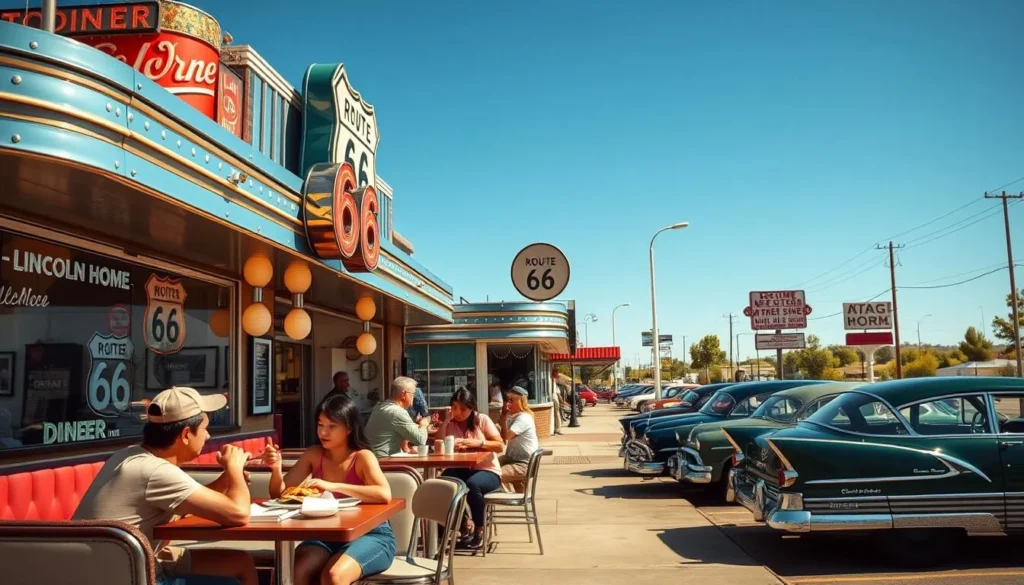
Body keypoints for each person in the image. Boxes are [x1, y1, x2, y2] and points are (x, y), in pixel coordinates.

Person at [72, 386, 257, 585]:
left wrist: (226, 480)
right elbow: (239, 514)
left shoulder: (130, 455)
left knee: (241, 563)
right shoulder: (155, 471)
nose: (208, 436)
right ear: (186, 434)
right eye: (205, 429)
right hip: (129, 574)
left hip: (116, 565)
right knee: (231, 582)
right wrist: (235, 467)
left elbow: (191, 503)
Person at [263, 393, 395, 585]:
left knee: (333, 576)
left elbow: (384, 494)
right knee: (297, 571)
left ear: (349, 428)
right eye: (320, 425)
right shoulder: (314, 455)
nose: (324, 433)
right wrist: (275, 470)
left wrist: (332, 486)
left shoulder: (362, 457)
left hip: (372, 535)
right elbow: (279, 494)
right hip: (326, 536)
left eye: (332, 426)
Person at [437, 388, 504, 549]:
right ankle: (462, 525)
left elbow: (500, 445)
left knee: (473, 485)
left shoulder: (482, 420)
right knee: (442, 484)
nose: (458, 412)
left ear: (471, 407)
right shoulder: (450, 423)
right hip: (462, 468)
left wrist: (478, 443)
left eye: (463, 408)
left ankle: (479, 530)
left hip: (487, 470)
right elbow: (438, 445)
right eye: (454, 407)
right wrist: (446, 421)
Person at [364, 376, 431, 457]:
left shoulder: (380, 407)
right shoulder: (397, 412)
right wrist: (424, 424)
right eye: (413, 394)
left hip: (373, 459)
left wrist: (418, 427)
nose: (414, 397)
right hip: (384, 463)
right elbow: (421, 440)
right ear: (403, 394)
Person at [497, 386, 539, 493]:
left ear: (520, 401)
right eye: (507, 400)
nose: (508, 404)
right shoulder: (513, 417)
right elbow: (501, 436)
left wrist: (504, 416)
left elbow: (506, 437)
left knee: (494, 474)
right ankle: (515, 495)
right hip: (511, 459)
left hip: (524, 464)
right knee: (487, 466)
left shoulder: (524, 418)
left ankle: (505, 497)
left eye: (511, 400)